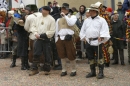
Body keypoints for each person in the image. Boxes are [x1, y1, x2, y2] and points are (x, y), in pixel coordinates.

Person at [80, 4, 110, 79]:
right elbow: (82, 30)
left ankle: (101, 72)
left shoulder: (101, 20)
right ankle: (92, 71)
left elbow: (105, 30)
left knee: (99, 57)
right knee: (90, 57)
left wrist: (102, 36)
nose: (89, 11)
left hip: (97, 41)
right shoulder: (87, 20)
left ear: (95, 11)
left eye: (90, 10)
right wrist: (83, 37)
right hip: (88, 41)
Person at [29, 6, 56, 76]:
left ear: (48, 11)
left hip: (47, 39)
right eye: (42, 9)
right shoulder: (37, 18)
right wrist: (35, 33)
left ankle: (47, 70)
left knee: (47, 54)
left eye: (44, 10)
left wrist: (42, 35)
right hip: (38, 39)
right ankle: (34, 69)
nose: (42, 11)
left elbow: (52, 31)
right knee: (36, 54)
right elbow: (33, 26)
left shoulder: (51, 19)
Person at [55, 3, 77, 77]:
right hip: (60, 38)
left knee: (71, 54)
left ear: (68, 10)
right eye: (62, 9)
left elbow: (71, 24)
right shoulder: (58, 19)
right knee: (62, 55)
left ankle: (73, 70)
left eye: (64, 9)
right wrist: (56, 39)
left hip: (69, 38)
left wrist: (65, 16)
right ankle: (64, 70)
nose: (62, 11)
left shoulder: (73, 17)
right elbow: (56, 29)